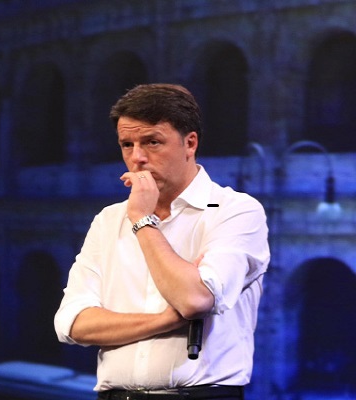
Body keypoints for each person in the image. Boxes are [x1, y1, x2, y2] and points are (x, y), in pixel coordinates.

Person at [53, 84, 269, 400]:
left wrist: (143, 221)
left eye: (152, 142)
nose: (137, 158)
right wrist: (165, 320)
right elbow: (72, 323)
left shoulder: (235, 210)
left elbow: (195, 299)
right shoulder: (109, 219)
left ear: (190, 143)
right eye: (127, 144)